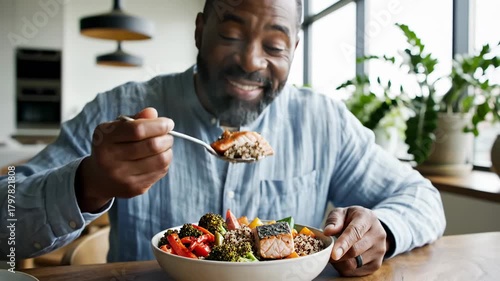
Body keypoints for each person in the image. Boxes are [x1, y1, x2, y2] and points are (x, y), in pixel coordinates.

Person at [0, 0, 445, 277]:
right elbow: (7, 224)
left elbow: (421, 198)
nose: (251, 61)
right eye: (231, 34)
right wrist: (87, 183)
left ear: (295, 49)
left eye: (274, 46)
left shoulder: (324, 121)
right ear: (199, 31)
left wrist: (383, 228)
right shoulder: (120, 111)